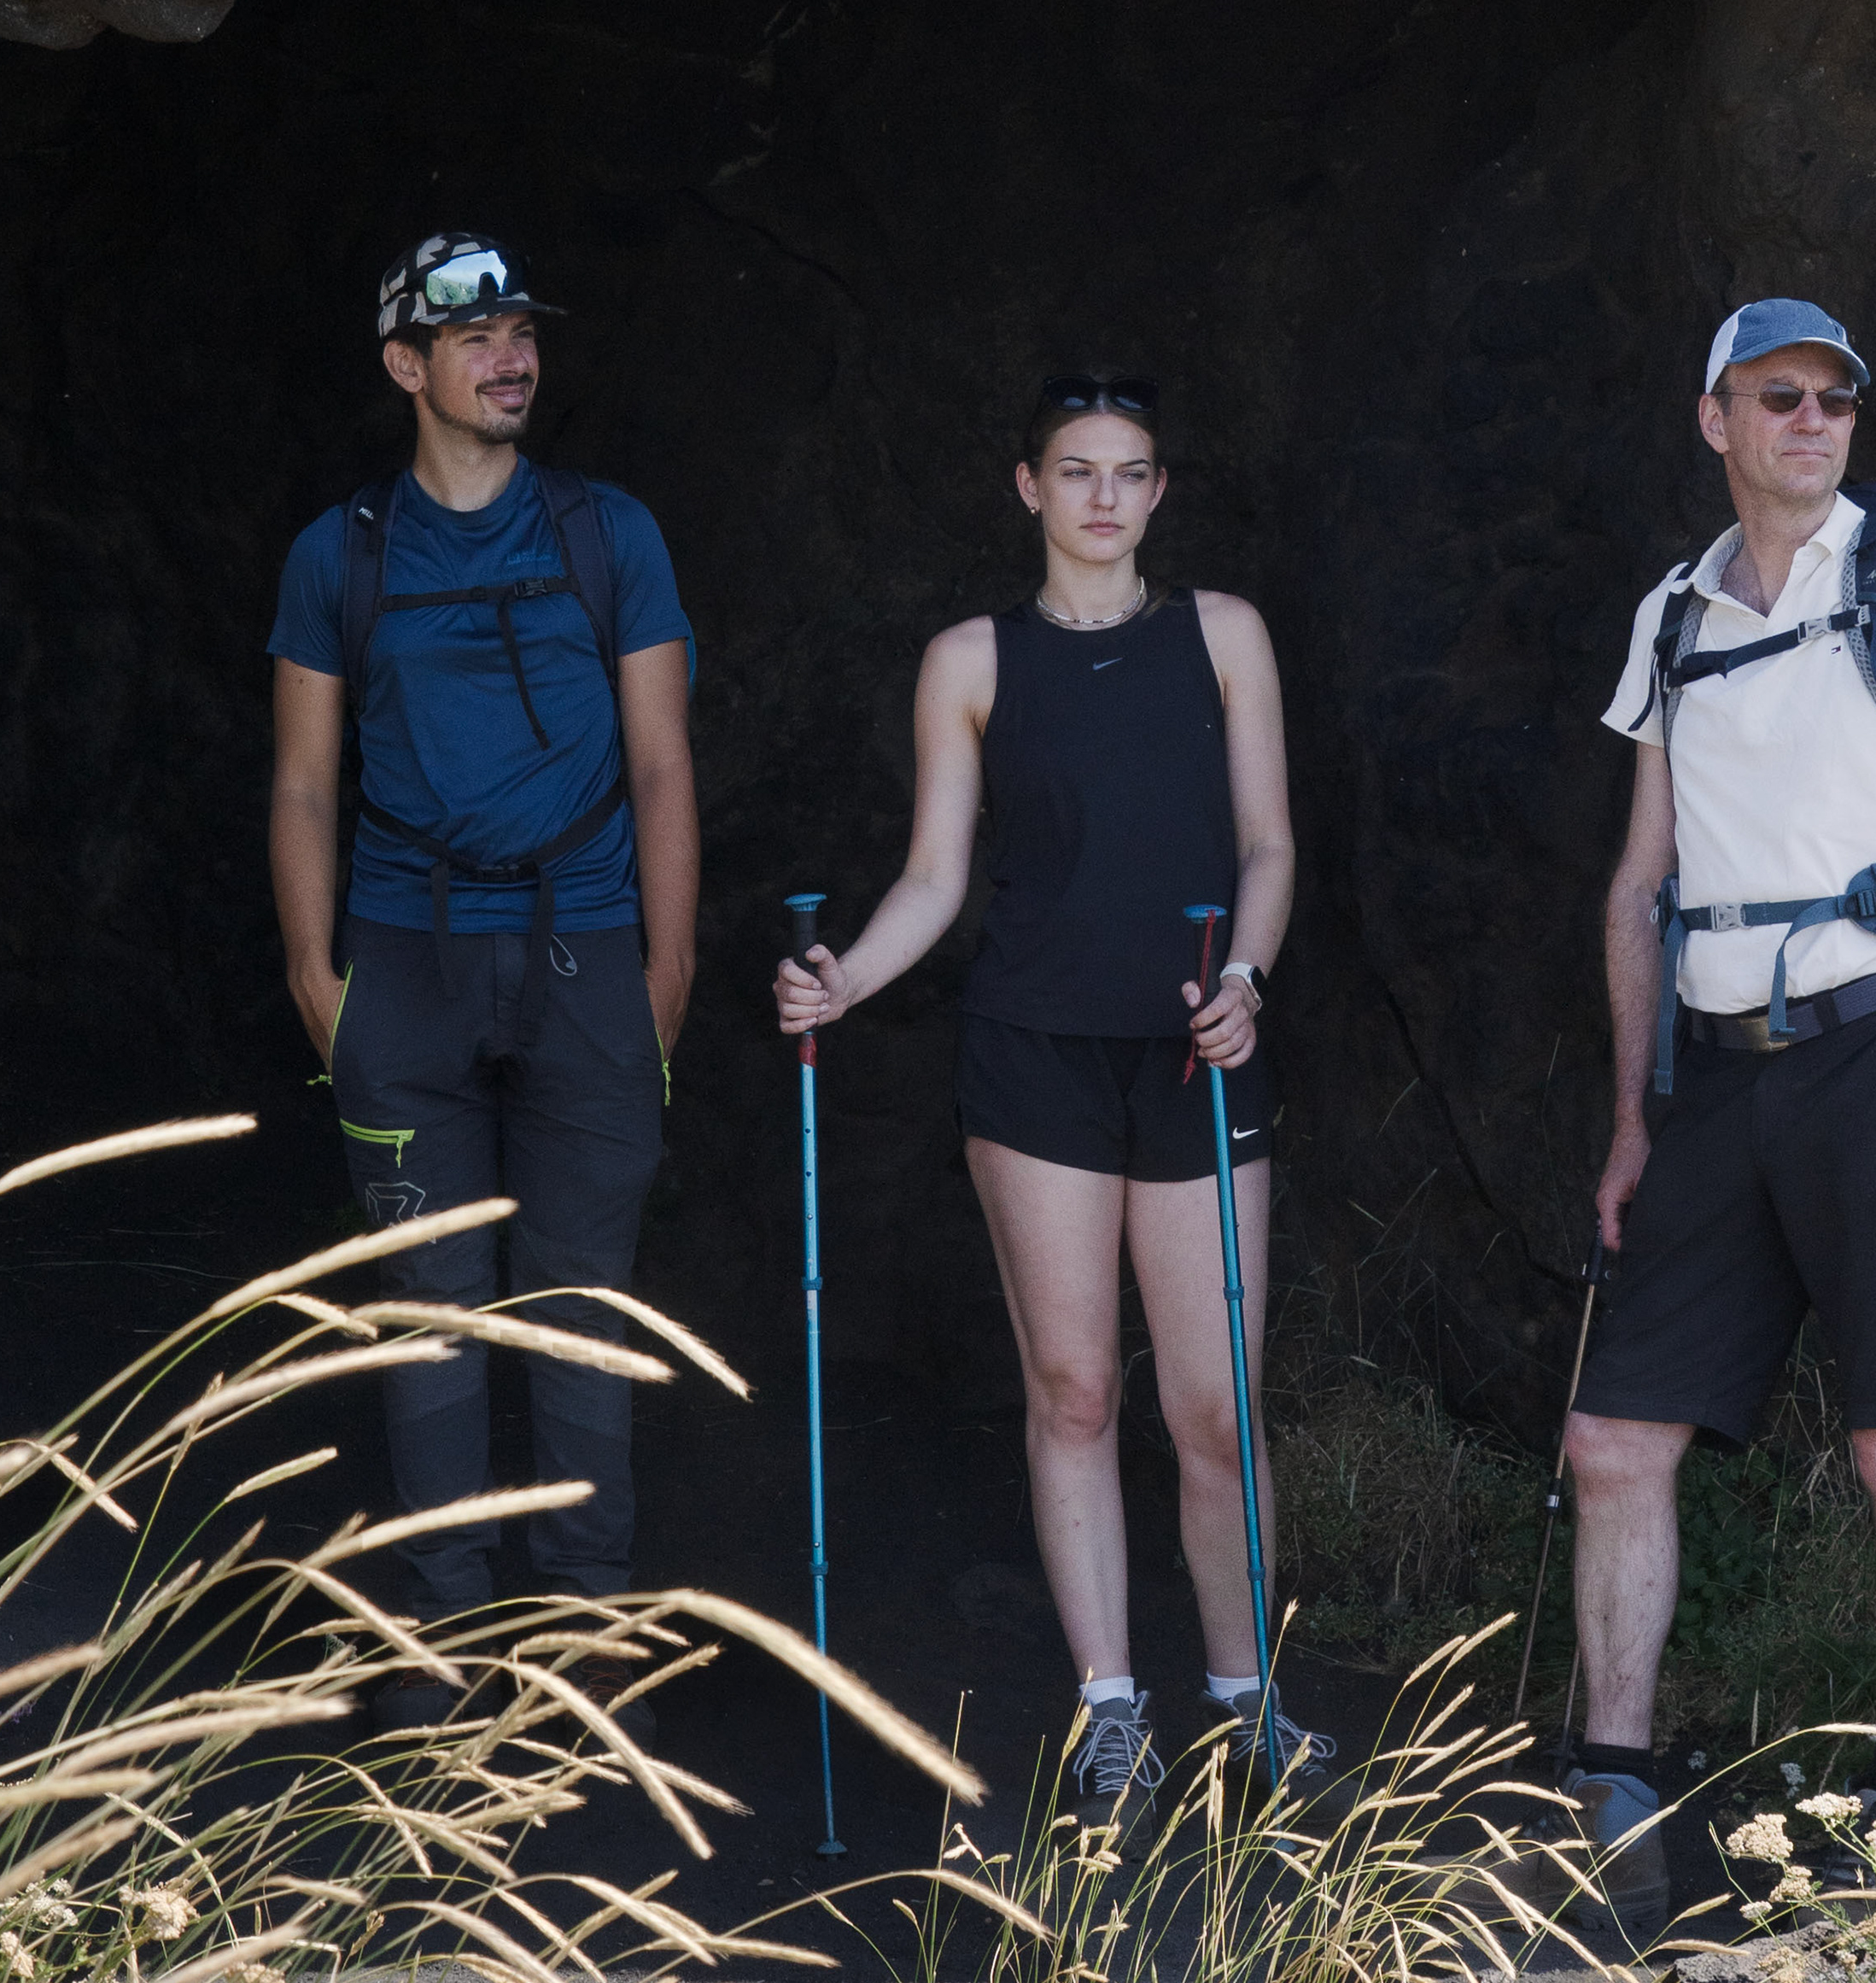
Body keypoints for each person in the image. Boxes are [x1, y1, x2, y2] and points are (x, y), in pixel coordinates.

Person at [772, 373, 1322, 1818]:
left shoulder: (1223, 635)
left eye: (1129, 472)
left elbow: (1269, 845)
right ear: (1029, 487)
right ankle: (1110, 1705)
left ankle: (1248, 1699)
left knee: (1216, 1406)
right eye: (1075, 471)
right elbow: (935, 876)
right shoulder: (971, 660)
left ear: (1160, 490)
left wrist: (1247, 979)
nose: (1102, 497)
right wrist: (843, 982)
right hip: (1034, 1055)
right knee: (1074, 1389)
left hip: (1200, 1044)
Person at [1567, 297, 1876, 1936]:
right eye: (1778, 397)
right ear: (1716, 418)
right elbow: (1639, 885)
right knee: (1612, 1437)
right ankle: (1612, 1793)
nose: (1813, 421)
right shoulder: (1674, 614)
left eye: (1835, 397)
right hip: (1716, 1077)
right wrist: (1634, 1122)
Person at [267, 233, 698, 1719]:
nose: (512, 359)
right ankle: (441, 1643)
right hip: (407, 962)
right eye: (475, 340)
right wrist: (317, 978)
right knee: (430, 1304)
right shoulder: (342, 553)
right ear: (408, 365)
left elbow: (662, 763)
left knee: (586, 1301)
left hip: (588, 957)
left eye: (521, 333)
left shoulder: (607, 533)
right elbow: (304, 781)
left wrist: (666, 974)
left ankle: (583, 1638)